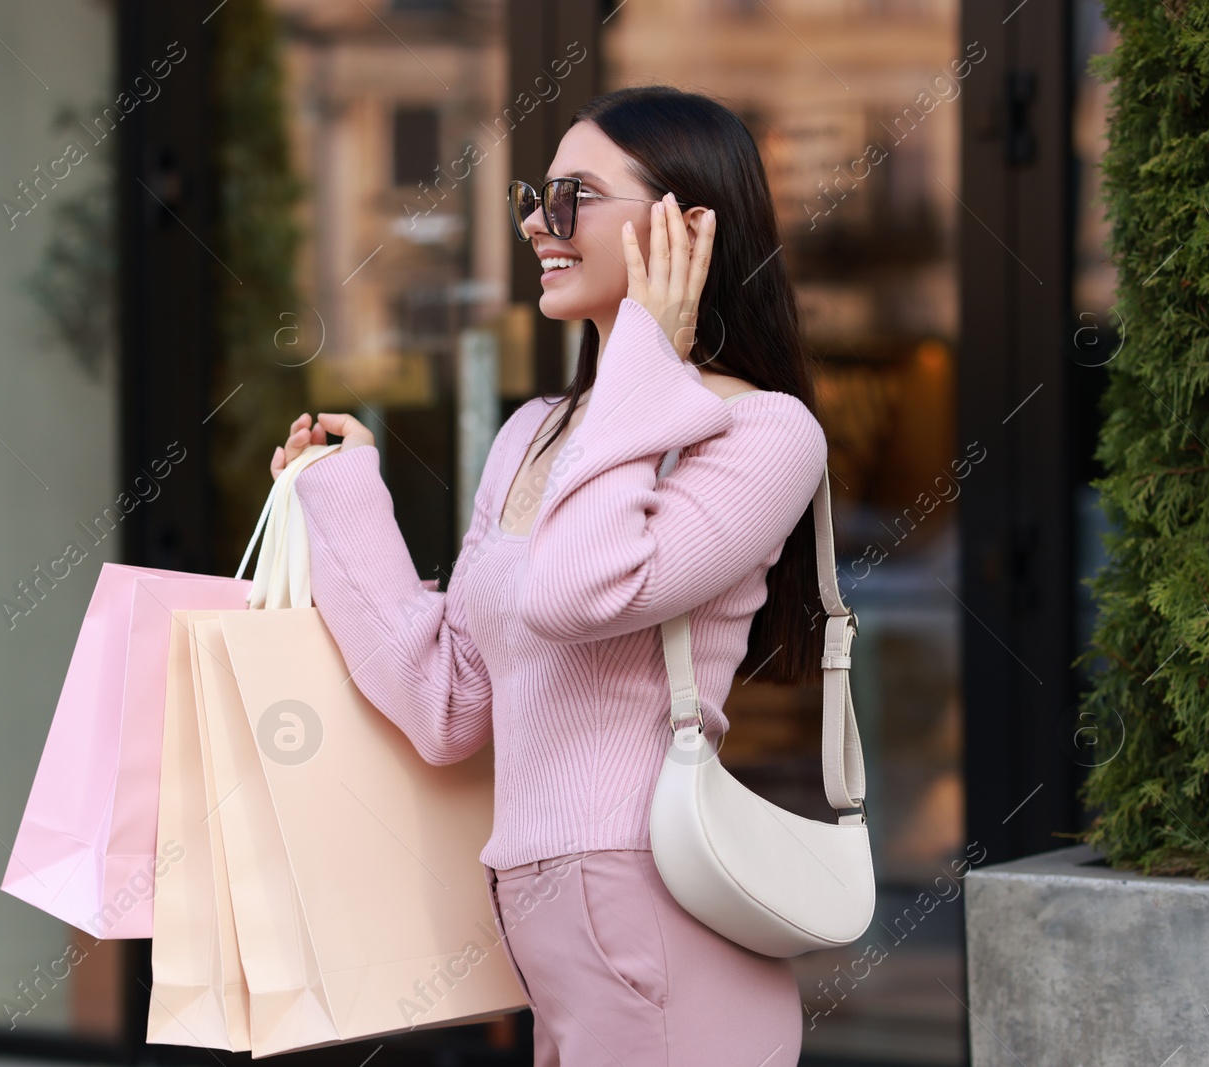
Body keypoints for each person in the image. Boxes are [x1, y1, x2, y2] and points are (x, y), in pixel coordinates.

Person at [271, 85, 827, 1066]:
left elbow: (577, 594)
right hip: (547, 916)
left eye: (573, 196)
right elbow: (444, 701)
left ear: (685, 227)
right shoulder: (535, 432)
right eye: (537, 194)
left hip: (650, 902)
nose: (536, 221)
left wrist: (647, 354)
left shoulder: (762, 432)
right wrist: (343, 494)